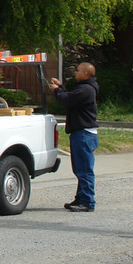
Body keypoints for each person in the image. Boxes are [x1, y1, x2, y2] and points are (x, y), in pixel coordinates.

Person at [48, 62, 98, 212]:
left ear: (86, 74)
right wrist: (61, 88)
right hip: (81, 133)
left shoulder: (86, 89)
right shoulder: (84, 88)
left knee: (84, 169)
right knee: (80, 168)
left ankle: (88, 201)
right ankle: (81, 198)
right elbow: (70, 97)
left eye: (77, 70)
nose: (75, 72)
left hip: (84, 134)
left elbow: (67, 100)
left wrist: (57, 91)